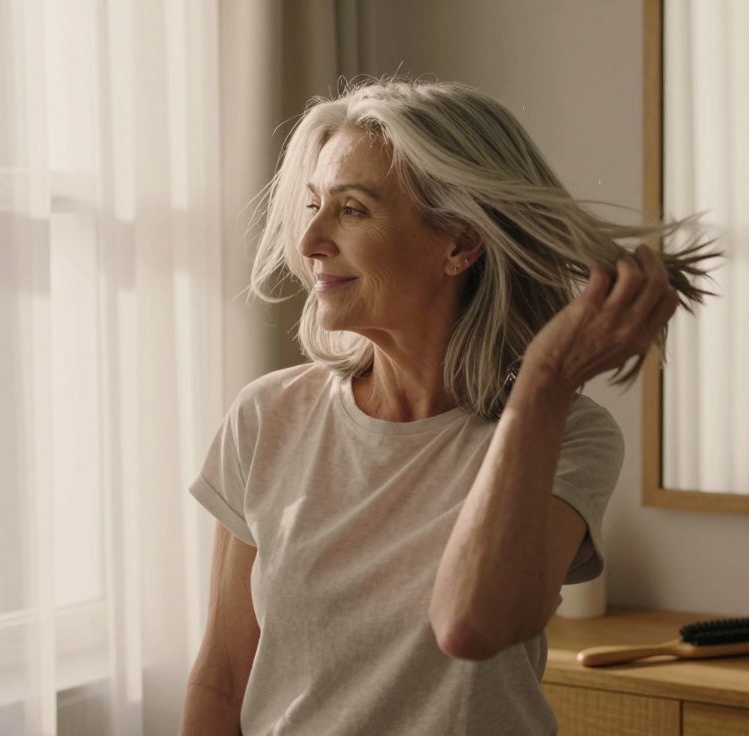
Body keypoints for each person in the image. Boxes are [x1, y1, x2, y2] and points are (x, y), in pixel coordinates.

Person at [180, 79, 712, 735]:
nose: (312, 238)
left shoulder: (567, 433)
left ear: (459, 244)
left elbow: (473, 623)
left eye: (352, 211)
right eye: (313, 205)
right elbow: (222, 679)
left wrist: (543, 382)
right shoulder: (267, 418)